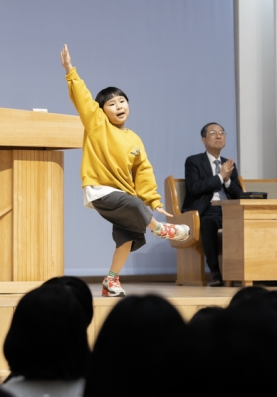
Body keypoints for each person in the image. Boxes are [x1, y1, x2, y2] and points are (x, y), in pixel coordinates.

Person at [61, 44, 190, 297]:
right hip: (101, 190)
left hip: (124, 194)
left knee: (127, 236)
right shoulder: (97, 125)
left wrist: (153, 200)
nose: (119, 106)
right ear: (102, 111)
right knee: (133, 203)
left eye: (122, 101)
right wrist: (69, 70)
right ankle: (161, 230)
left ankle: (110, 281)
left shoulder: (134, 139)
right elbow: (83, 99)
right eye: (111, 103)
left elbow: (143, 171)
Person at [181, 122, 242, 286]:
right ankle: (215, 273)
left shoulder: (228, 164)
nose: (219, 136)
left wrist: (227, 180)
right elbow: (194, 188)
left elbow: (239, 194)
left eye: (221, 132)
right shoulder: (194, 161)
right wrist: (219, 177)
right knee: (208, 224)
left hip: (229, 210)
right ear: (204, 140)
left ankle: (255, 273)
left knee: (251, 224)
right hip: (206, 210)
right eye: (213, 133)